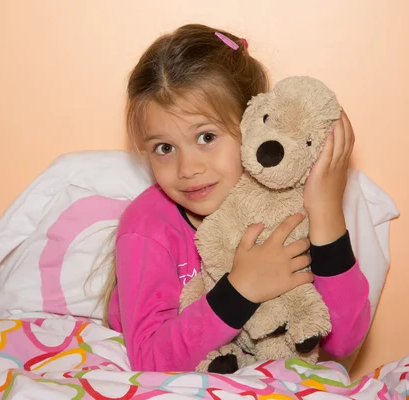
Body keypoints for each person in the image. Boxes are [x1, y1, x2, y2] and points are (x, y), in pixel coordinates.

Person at [99, 23, 370, 372]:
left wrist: (326, 209)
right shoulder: (148, 226)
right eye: (164, 148)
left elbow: (344, 341)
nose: (187, 168)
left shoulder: (288, 208)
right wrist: (240, 289)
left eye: (206, 137)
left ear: (251, 124)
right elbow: (149, 360)